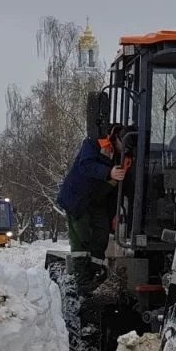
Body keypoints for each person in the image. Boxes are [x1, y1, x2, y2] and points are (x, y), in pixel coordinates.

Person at [57, 125, 127, 291]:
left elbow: (116, 192)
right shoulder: (93, 143)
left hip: (97, 201)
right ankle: (82, 280)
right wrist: (109, 172)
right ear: (116, 138)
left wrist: (114, 215)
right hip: (77, 198)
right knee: (82, 238)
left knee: (101, 235)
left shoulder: (124, 158)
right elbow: (86, 165)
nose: (125, 148)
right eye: (124, 144)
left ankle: (94, 273)